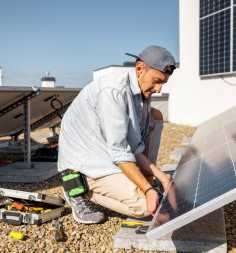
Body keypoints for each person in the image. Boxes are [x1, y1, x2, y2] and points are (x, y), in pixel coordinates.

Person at [57, 45, 176, 224]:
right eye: (156, 81)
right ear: (139, 69)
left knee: (156, 117)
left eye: (163, 83)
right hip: (86, 160)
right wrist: (148, 191)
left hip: (108, 151)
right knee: (145, 206)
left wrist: (161, 177)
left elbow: (133, 146)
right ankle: (78, 188)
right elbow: (120, 151)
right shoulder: (114, 91)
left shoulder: (140, 91)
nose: (159, 89)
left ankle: (146, 180)